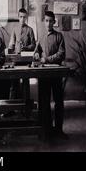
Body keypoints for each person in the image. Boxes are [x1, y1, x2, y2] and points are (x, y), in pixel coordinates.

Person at [34, 11, 67, 140]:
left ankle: (59, 130)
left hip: (56, 74)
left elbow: (61, 54)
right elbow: (37, 51)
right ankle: (46, 130)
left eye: (50, 21)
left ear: (54, 22)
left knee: (59, 102)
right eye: (46, 21)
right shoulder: (41, 37)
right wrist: (36, 54)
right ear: (44, 22)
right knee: (44, 102)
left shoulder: (59, 36)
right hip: (44, 74)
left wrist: (46, 59)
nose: (48, 23)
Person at [8, 8, 36, 99]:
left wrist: (26, 48)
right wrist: (9, 50)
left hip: (25, 59)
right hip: (16, 59)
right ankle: (11, 107)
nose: (22, 19)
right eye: (21, 17)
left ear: (26, 18)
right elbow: (11, 44)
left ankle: (26, 107)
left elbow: (34, 45)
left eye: (24, 17)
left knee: (25, 83)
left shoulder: (30, 30)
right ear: (18, 17)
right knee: (13, 83)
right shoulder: (15, 29)